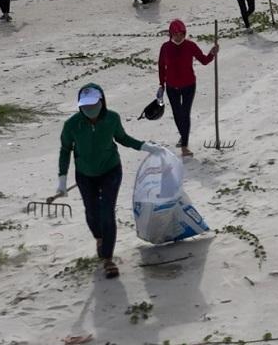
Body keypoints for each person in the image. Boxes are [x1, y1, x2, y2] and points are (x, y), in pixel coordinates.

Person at [54, 83, 167, 279]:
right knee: (92, 212)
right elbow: (65, 150)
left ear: (102, 101)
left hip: (110, 170)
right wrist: (62, 180)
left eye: (93, 105)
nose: (89, 109)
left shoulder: (112, 118)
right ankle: (99, 237)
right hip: (85, 174)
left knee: (107, 211)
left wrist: (146, 147)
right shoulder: (72, 125)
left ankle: (107, 258)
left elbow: (122, 138)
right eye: (85, 106)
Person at [157, 19, 218, 158]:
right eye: (176, 34)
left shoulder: (190, 46)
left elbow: (204, 60)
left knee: (185, 113)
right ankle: (183, 134)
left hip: (189, 85)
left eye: (181, 34)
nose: (179, 37)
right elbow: (161, 66)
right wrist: (161, 84)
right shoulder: (165, 47)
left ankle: (184, 145)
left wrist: (212, 53)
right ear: (171, 34)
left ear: (185, 33)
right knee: (177, 114)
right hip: (171, 86)